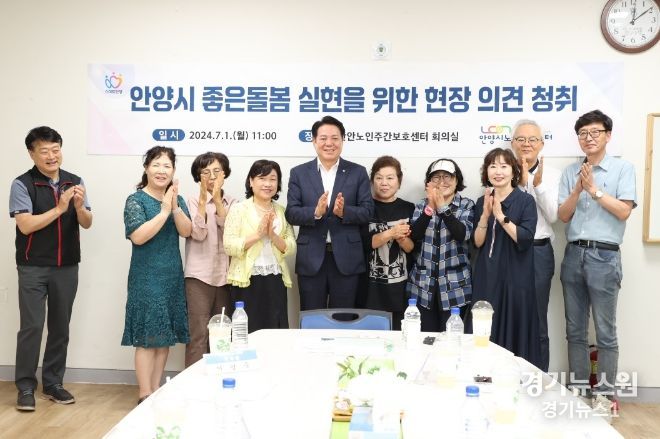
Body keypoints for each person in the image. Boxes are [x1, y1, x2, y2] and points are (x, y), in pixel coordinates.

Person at [558, 109, 636, 417]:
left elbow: (624, 211)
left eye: (595, 132)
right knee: (575, 329)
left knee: (606, 331)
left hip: (605, 255)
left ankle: (604, 396)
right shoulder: (571, 172)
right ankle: (578, 391)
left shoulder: (623, 168)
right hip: (573, 253)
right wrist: (578, 189)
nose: (588, 138)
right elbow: (563, 216)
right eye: (583, 134)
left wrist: (594, 190)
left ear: (608, 135)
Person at [10, 126, 93, 411]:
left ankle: (53, 383)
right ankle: (25, 386)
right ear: (31, 153)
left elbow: (87, 222)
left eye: (55, 149)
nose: (51, 156)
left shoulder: (75, 181)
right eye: (44, 151)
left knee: (60, 327)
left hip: (67, 266)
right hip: (32, 267)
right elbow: (25, 224)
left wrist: (79, 207)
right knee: (32, 327)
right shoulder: (22, 184)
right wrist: (59, 208)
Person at [122, 146, 192, 403]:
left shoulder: (176, 199)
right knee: (147, 337)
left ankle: (155, 390)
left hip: (171, 275)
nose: (162, 171)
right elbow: (138, 237)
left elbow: (187, 231)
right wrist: (163, 211)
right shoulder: (136, 200)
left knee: (164, 336)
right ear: (146, 168)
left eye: (167, 166)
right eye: (156, 165)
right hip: (146, 276)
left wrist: (174, 207)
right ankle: (144, 393)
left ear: (173, 171)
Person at [285, 116, 374, 310]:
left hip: (347, 258)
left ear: (342, 140)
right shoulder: (299, 173)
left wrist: (344, 212)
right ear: (314, 141)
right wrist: (315, 212)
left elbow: (368, 211)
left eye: (335, 138)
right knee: (311, 315)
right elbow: (291, 213)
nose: (329, 143)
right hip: (311, 258)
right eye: (323, 138)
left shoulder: (358, 172)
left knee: (343, 316)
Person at [471, 148, 542, 368]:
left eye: (504, 166)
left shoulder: (526, 201)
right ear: (486, 172)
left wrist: (501, 216)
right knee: (485, 327)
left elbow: (525, 238)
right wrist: (485, 215)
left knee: (513, 328)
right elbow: (478, 242)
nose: (498, 171)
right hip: (486, 274)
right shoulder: (481, 201)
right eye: (493, 166)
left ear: (513, 171)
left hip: (515, 276)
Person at [510, 119, 560, 373]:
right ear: (512, 143)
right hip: (510, 251)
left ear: (541, 144)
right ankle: (509, 374)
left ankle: (540, 379)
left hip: (539, 251)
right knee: (509, 315)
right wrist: (518, 181)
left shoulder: (552, 174)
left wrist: (535, 185)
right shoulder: (503, 170)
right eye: (521, 139)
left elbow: (553, 216)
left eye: (532, 139)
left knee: (538, 318)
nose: (526, 144)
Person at [224, 160, 296, 332]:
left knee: (275, 330)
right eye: (262, 178)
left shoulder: (281, 211)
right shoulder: (238, 209)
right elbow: (229, 246)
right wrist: (258, 235)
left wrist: (273, 235)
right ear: (251, 181)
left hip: (276, 278)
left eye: (273, 179)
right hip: (246, 280)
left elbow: (291, 247)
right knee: (247, 331)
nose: (268, 184)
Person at [407, 159, 475, 332]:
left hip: (455, 288)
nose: (441, 182)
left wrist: (443, 207)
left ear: (456, 180)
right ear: (429, 182)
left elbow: (463, 234)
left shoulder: (466, 205)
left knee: (452, 340)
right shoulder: (421, 205)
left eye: (447, 176)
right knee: (424, 340)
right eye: (436, 177)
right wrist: (430, 208)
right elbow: (414, 236)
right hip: (423, 287)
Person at [184, 152, 236, 367]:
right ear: (198, 176)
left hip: (225, 276)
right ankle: (193, 382)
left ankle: (220, 378)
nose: (212, 177)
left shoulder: (234, 202)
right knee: (198, 334)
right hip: (198, 276)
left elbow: (231, 233)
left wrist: (217, 201)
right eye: (205, 172)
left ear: (225, 174)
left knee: (222, 334)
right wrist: (204, 202)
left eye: (216, 171)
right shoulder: (190, 201)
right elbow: (197, 233)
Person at [362, 156, 415, 330]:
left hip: (400, 288)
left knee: (400, 335)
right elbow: (365, 243)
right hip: (370, 289)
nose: (384, 183)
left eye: (390, 178)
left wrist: (401, 238)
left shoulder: (409, 208)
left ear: (399, 181)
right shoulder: (365, 208)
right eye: (379, 178)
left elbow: (411, 248)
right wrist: (391, 232)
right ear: (372, 181)